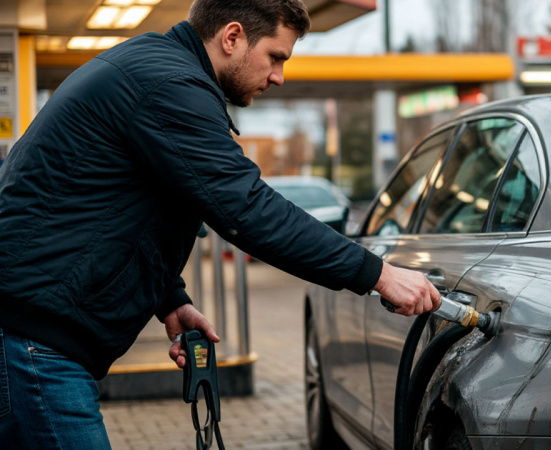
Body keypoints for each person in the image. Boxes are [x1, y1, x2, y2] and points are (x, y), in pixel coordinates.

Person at [0, 0, 441, 448]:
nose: (278, 76)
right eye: (275, 57)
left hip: (29, 332)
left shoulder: (156, 70)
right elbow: (247, 210)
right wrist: (379, 274)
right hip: (33, 342)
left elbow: (120, 206)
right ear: (232, 38)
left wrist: (170, 298)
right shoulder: (169, 85)